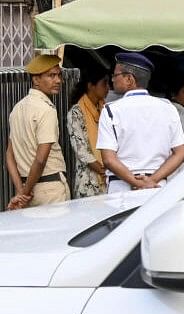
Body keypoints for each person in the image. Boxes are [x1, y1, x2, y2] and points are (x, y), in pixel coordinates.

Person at [96, 52, 184, 193]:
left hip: (121, 188)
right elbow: (180, 153)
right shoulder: (168, 108)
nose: (112, 80)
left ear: (129, 79)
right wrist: (152, 181)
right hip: (156, 187)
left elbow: (108, 159)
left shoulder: (111, 110)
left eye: (115, 75)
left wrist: (136, 183)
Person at [5, 54, 71, 209]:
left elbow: (9, 156)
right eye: (51, 75)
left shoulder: (17, 108)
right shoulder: (46, 110)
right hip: (49, 190)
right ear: (36, 80)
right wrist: (25, 193)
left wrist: (21, 191)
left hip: (27, 188)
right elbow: (41, 159)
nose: (58, 81)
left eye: (59, 75)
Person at [66, 65, 110, 198]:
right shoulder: (76, 112)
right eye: (104, 84)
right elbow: (81, 150)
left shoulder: (106, 109)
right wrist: (103, 170)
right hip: (88, 180)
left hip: (108, 177)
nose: (108, 88)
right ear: (91, 85)